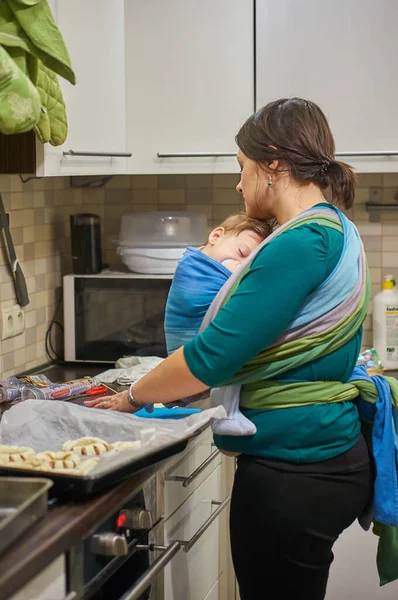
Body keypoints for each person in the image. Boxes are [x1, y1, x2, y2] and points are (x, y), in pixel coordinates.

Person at [85, 97, 373, 600]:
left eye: (242, 168)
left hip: (295, 469)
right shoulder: (333, 227)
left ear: (275, 162)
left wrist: (133, 396)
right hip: (318, 459)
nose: (238, 184)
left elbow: (210, 358)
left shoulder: (300, 243)